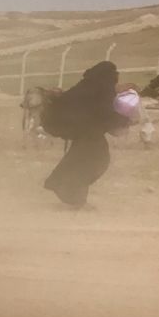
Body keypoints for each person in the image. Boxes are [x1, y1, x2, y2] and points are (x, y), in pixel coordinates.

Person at [44, 61, 130, 208]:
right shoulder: (103, 87)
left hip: (81, 130)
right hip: (88, 131)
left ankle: (63, 187)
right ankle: (72, 195)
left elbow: (69, 100)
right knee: (95, 162)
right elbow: (104, 111)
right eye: (114, 72)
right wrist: (124, 120)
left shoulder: (87, 83)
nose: (116, 76)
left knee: (80, 160)